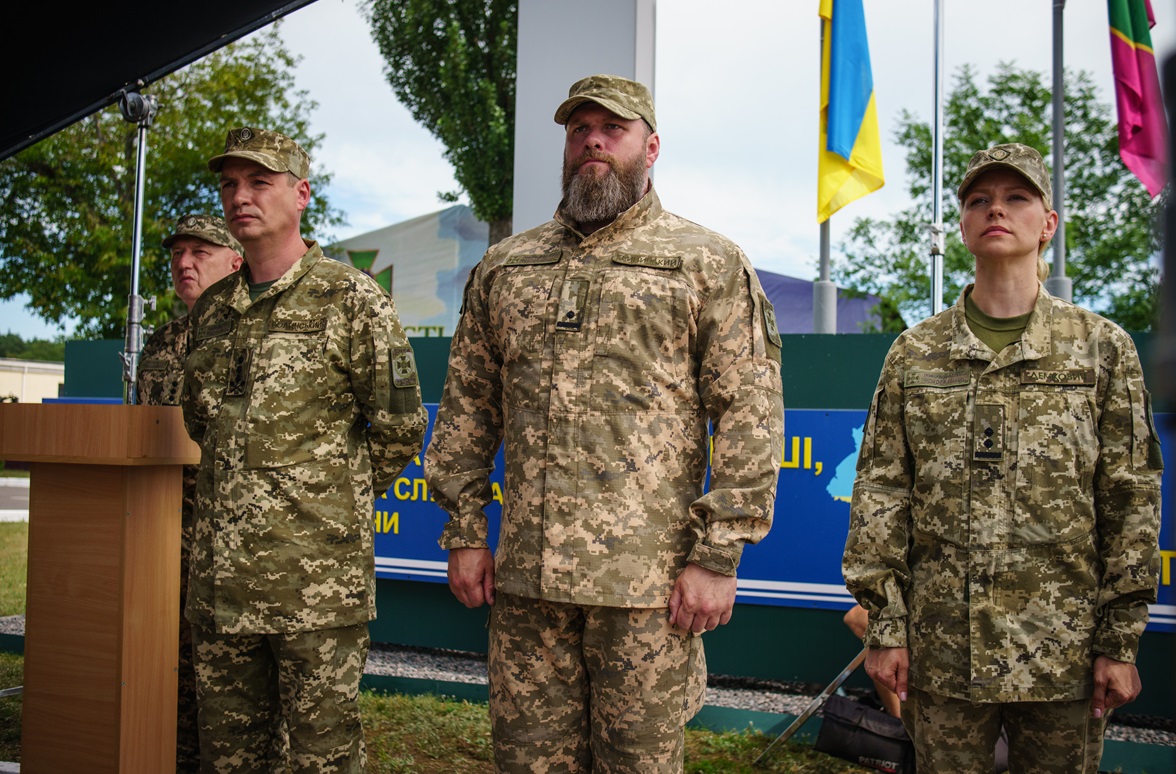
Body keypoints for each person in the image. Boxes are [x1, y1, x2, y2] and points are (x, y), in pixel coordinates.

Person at [424, 74, 785, 772]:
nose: (593, 139)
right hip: (527, 590)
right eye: (578, 128)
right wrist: (465, 530)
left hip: (646, 593)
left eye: (612, 129)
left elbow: (749, 411)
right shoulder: (508, 265)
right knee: (526, 763)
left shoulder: (704, 261)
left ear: (650, 148)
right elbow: (469, 408)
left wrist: (716, 557)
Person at [842, 143, 1162, 773]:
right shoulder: (915, 353)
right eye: (978, 200)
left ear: (1048, 225)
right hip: (942, 652)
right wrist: (885, 627)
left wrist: (1119, 641)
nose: (996, 209)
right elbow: (881, 495)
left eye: (1017, 197)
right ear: (961, 226)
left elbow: (1130, 496)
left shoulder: (1101, 349)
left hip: (1063, 654)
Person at [181, 127, 428, 773]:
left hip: (314, 588)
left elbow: (399, 429)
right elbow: (204, 425)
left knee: (322, 756)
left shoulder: (350, 299)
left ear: (301, 194)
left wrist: (323, 505)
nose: (241, 197)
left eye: (259, 182)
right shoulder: (213, 312)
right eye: (230, 184)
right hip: (223, 586)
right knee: (228, 757)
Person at [136, 213, 242, 773]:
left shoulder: (251, 332)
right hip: (163, 535)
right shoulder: (161, 343)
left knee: (227, 678)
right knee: (166, 667)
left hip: (230, 539)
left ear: (235, 261)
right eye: (178, 253)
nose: (183, 263)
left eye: (200, 252)